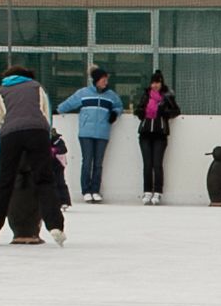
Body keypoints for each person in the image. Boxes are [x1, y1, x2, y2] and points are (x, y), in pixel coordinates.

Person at [0, 67, 64, 245]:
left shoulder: (3, 90)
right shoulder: (37, 87)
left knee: (4, 182)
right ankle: (55, 226)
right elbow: (46, 115)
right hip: (37, 132)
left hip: (10, 136)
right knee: (44, 180)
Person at [58, 66, 126, 202]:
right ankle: (86, 190)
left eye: (106, 80)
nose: (105, 82)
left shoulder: (111, 95)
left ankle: (95, 190)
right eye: (103, 80)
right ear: (96, 80)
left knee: (98, 163)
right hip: (86, 133)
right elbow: (70, 103)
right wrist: (58, 110)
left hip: (102, 133)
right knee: (87, 161)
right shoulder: (84, 93)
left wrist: (114, 113)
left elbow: (119, 106)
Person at [132, 70, 181, 204]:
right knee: (147, 164)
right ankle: (147, 191)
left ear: (161, 83)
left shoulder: (167, 96)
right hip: (145, 133)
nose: (155, 85)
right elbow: (138, 109)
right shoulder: (146, 95)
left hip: (160, 133)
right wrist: (141, 112)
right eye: (153, 82)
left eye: (157, 82)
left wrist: (164, 112)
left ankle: (158, 192)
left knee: (157, 164)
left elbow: (176, 110)